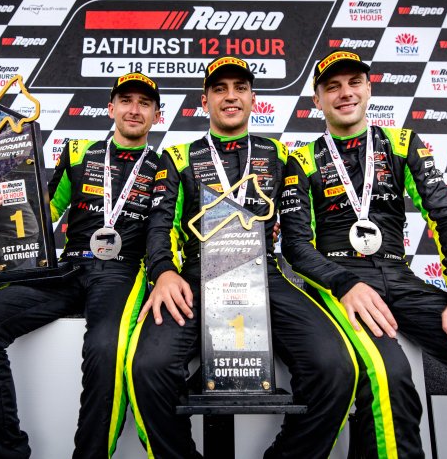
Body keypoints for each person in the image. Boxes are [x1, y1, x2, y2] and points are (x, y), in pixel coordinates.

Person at [280, 50, 447, 458]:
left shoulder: (402, 143)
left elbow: (446, 215)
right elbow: (296, 245)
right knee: (388, 383)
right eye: (332, 87)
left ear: (369, 88)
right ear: (317, 100)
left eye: (354, 83)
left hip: (402, 280)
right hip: (340, 284)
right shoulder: (301, 160)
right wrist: (344, 283)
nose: (345, 93)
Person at [127, 56, 359, 459]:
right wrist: (163, 271)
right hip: (197, 276)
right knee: (148, 368)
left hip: (265, 273)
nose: (230, 96)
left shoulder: (280, 154)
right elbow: (159, 226)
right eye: (219, 89)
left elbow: (298, 236)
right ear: (205, 101)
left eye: (240, 88)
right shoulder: (178, 156)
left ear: (253, 99)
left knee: (335, 367)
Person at [0, 72, 162, 458]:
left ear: (157, 116)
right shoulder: (79, 153)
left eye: (144, 103)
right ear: (110, 108)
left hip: (123, 271)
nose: (134, 109)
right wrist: (1, 203)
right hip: (68, 267)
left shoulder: (164, 167)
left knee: (106, 350)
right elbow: (40, 214)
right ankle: (3, 452)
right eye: (126, 100)